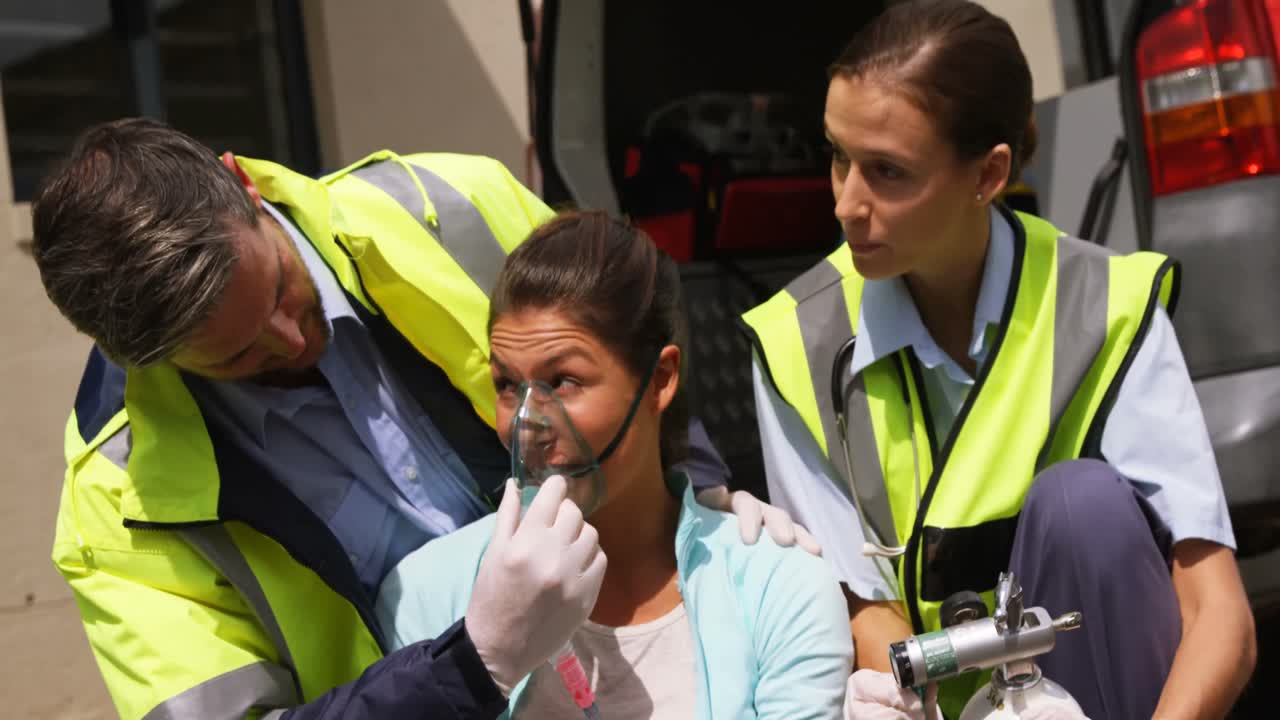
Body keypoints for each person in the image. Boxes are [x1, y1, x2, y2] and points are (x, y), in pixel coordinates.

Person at [31, 119, 813, 719]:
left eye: (277, 291)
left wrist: (698, 485)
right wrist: (471, 667)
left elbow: (619, 332)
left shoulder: (448, 204)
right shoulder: (118, 513)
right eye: (238, 356)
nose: (293, 339)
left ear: (245, 185)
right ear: (149, 360)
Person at [740, 1, 1256, 718]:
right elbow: (866, 612)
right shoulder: (795, 343)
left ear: (988, 175)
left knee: (1084, 506)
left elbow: (1218, 614)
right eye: (837, 156)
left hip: (1111, 695)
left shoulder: (1110, 306)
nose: (846, 205)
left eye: (887, 172)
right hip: (934, 706)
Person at [377, 211, 852, 719]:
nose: (526, 423)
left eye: (563, 381)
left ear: (660, 379)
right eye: (507, 385)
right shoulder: (428, 597)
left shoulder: (776, 589)